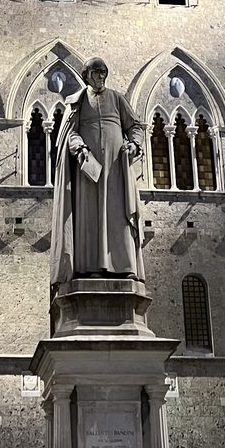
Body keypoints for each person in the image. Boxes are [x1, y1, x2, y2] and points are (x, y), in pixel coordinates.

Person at [50, 57, 145, 286]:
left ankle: (125, 268)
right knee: (88, 218)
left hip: (115, 168)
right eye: (96, 72)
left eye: (104, 72)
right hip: (88, 171)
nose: (101, 76)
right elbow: (69, 134)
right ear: (87, 76)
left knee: (118, 214)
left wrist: (134, 144)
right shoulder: (78, 102)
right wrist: (80, 148)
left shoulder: (117, 98)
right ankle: (89, 268)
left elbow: (135, 126)